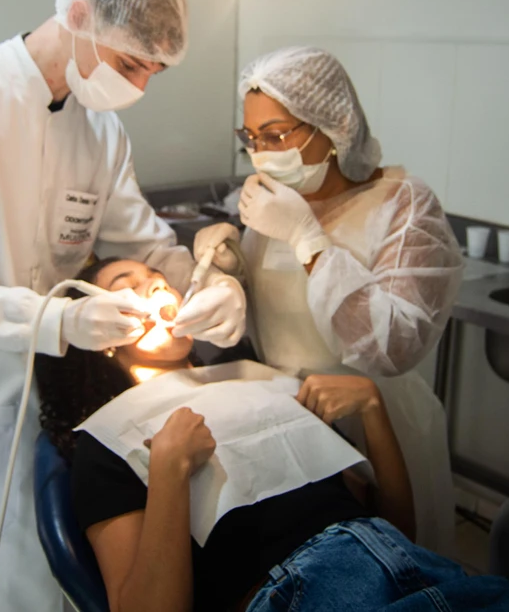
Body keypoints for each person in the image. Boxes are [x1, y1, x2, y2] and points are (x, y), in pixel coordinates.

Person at [0, 0, 248, 611]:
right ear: (77, 15)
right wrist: (57, 319)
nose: (140, 87)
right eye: (130, 64)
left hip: (62, 398)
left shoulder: (102, 132)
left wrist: (211, 285)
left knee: (47, 576)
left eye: (154, 71)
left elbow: (144, 244)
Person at [35, 257, 509, 612]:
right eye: (126, 286)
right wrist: (169, 472)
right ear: (99, 332)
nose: (154, 285)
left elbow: (400, 529)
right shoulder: (109, 442)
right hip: (302, 593)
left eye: (157, 277)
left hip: (418, 570)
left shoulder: (256, 381)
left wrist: (373, 410)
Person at [195, 46, 464, 554]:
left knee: (384, 567)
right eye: (251, 138)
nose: (262, 154)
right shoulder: (274, 195)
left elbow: (394, 346)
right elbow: (276, 307)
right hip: (285, 417)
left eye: (276, 135)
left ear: (333, 126)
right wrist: (229, 272)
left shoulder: (403, 204)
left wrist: (310, 242)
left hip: (374, 427)